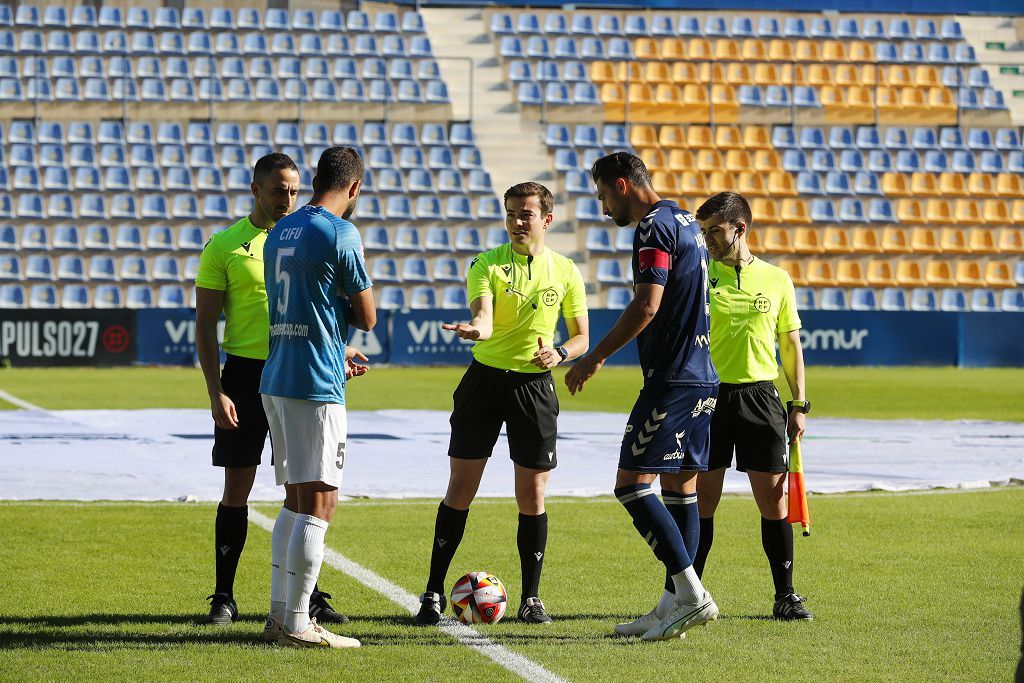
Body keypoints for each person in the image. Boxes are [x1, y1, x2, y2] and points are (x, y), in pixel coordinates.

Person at [414, 182, 589, 626]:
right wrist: (477, 329)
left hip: (535, 388)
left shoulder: (567, 271)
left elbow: (582, 336)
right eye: (510, 212)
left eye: (525, 213)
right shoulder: (486, 263)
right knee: (460, 489)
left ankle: (531, 598)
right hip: (484, 383)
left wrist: (561, 353)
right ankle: (433, 593)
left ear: (546, 219)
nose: (516, 221)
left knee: (532, 495)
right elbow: (485, 317)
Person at [565, 152, 719, 641]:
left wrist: (595, 356)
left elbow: (647, 303)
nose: (602, 205)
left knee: (631, 482)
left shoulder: (654, 227)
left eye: (602, 194)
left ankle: (691, 595)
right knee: (680, 489)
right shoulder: (688, 220)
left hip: (672, 377)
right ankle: (671, 605)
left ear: (622, 185)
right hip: (702, 374)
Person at [195, 153, 348, 626]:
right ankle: (224, 595)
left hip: (296, 368)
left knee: (304, 487)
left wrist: (338, 352)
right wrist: (216, 390)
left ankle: (309, 595)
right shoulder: (224, 245)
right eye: (279, 189)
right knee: (237, 484)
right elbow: (204, 326)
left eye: (295, 190)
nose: (288, 198)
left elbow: (321, 307)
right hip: (244, 375)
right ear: (255, 189)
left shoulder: (305, 236)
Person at [258, 146, 376, 649]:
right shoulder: (339, 231)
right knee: (320, 501)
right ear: (353, 188)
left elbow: (309, 303)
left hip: (278, 374)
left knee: (293, 499)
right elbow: (367, 316)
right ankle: (300, 622)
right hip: (315, 382)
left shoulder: (280, 229)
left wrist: (332, 338)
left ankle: (280, 615)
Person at [692, 191, 813, 621]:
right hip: (708, 395)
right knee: (703, 498)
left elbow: (791, 344)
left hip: (760, 398)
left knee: (773, 500)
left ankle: (786, 595)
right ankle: (688, 595)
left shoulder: (777, 279)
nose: (706, 239)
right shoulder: (700, 275)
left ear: (739, 229)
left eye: (714, 231)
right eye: (703, 231)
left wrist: (799, 404)